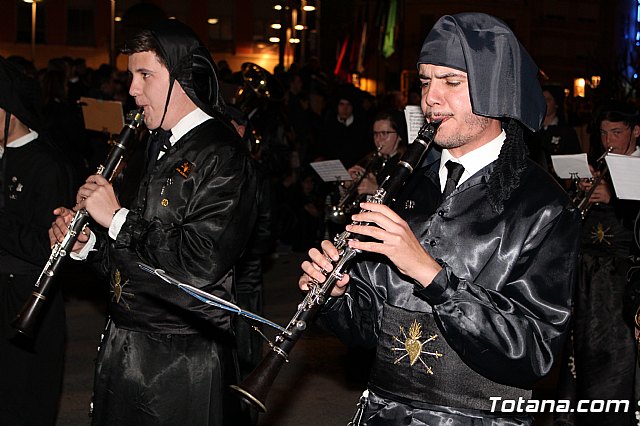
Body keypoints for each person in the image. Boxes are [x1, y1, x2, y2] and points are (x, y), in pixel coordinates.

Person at [299, 13, 581, 424]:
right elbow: (372, 328)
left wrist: (431, 275)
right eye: (426, 81)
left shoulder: (544, 206)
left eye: (451, 82)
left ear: (495, 90)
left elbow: (535, 352)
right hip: (383, 412)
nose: (430, 98)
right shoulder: (403, 185)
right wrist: (338, 297)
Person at [49, 20, 257, 425]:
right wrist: (89, 245)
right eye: (131, 76)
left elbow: (202, 262)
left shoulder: (223, 154)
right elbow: (136, 257)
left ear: (182, 79)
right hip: (128, 351)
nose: (132, 90)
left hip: (183, 362)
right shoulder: (157, 145)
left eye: (145, 75)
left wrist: (117, 218)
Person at [555, 100, 640, 426]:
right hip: (591, 282)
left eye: (617, 132)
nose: (609, 141)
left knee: (616, 362)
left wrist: (615, 199)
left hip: (623, 284)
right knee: (585, 355)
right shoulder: (602, 165)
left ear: (635, 131)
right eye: (604, 133)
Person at [0, 56, 73, 425]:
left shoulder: (45, 165)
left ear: (9, 110)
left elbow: (47, 247)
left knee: (22, 405)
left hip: (26, 301)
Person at [346, 110, 408, 199]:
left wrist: (376, 190)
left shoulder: (404, 163)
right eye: (375, 134)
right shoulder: (372, 159)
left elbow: (404, 200)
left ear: (399, 136)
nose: (378, 139)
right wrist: (349, 184)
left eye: (384, 133)